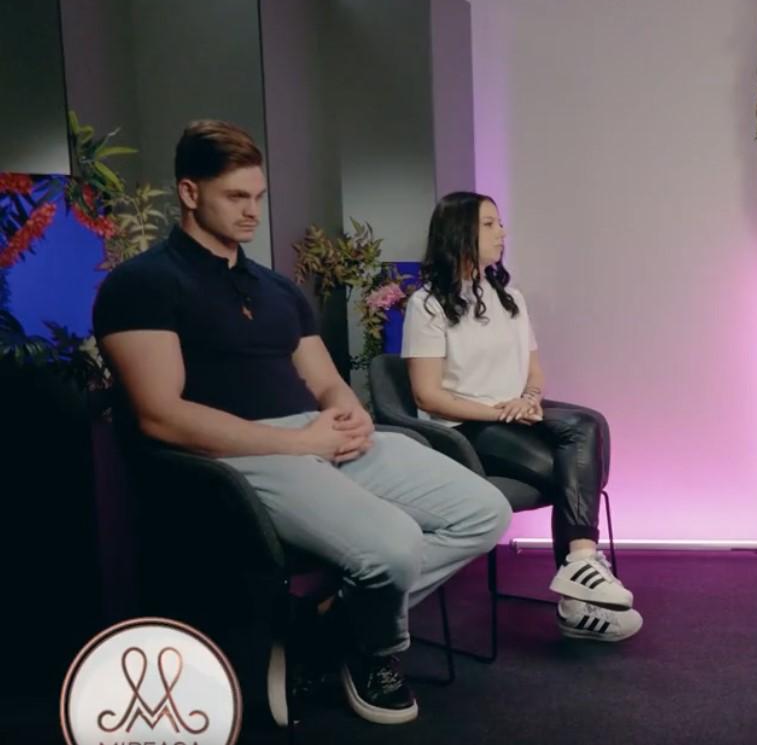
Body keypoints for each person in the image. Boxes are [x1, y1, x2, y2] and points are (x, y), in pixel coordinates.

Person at [94, 120, 510, 724]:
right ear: (189, 192)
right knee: (394, 546)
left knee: (485, 511)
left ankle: (325, 628)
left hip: (315, 436)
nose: (251, 211)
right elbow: (161, 416)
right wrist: (295, 442)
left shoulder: (276, 289)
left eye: (258, 196)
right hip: (236, 456)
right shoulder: (142, 285)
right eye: (236, 196)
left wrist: (349, 412)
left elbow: (324, 380)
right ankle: (373, 650)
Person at [402, 191, 642, 642]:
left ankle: (579, 571)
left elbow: (534, 372)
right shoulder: (427, 305)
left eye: (500, 223)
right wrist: (497, 411)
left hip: (512, 415)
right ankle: (577, 594)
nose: (502, 232)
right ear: (459, 233)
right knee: (572, 470)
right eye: (489, 224)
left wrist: (529, 398)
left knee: (588, 422)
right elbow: (427, 396)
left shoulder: (509, 298)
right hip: (464, 429)